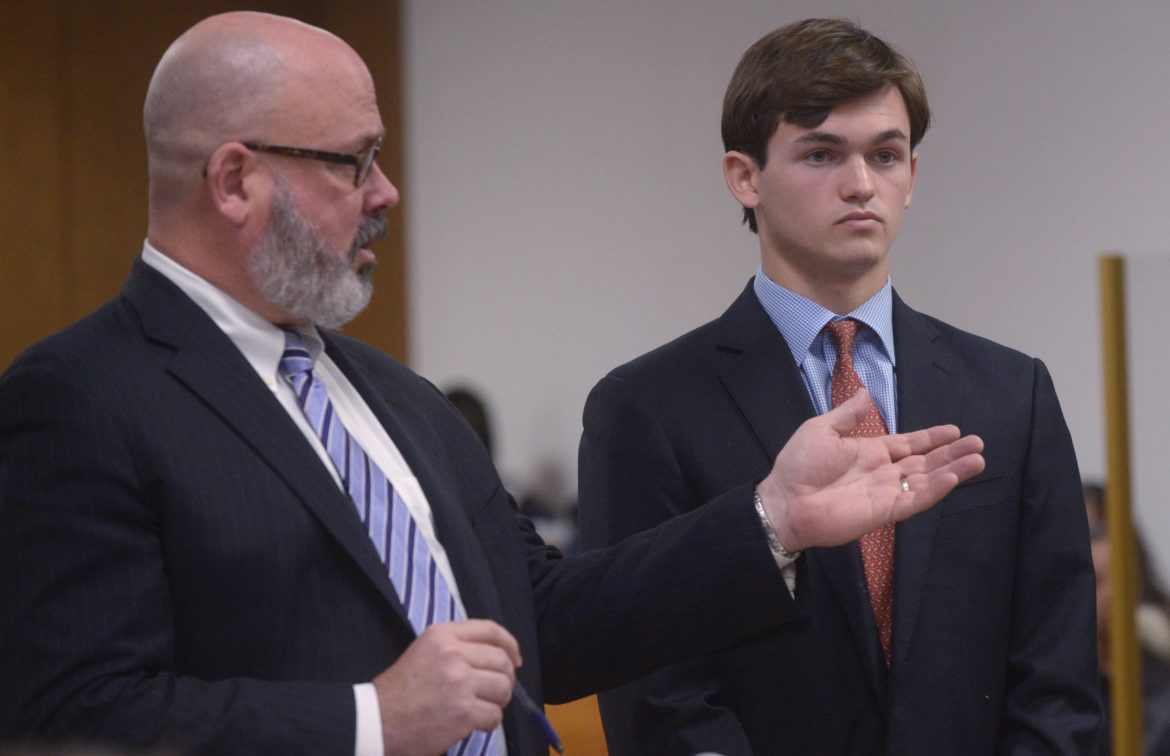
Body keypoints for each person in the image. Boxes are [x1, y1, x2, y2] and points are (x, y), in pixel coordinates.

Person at [0, 12, 986, 756]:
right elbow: (62, 714)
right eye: (354, 162)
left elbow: (545, 618)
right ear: (234, 180)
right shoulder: (82, 399)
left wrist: (772, 519)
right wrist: (371, 720)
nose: (387, 193)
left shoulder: (398, 399)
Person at [578, 18, 1100, 755]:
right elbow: (657, 695)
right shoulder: (649, 407)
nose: (861, 185)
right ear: (744, 176)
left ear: (911, 178)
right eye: (822, 154)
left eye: (886, 155)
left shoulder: (1014, 393)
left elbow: (1059, 681)